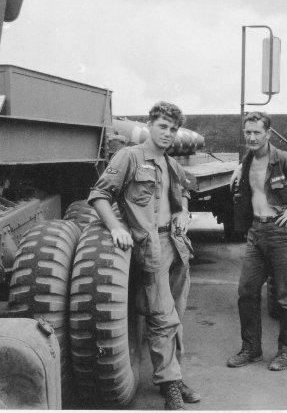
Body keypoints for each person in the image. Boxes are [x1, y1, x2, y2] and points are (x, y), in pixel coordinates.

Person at [88, 102, 201, 410]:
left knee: (175, 317)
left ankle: (175, 376)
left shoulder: (169, 163)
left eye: (173, 129)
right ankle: (169, 385)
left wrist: (184, 213)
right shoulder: (129, 157)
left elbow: (185, 191)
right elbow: (99, 195)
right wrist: (114, 227)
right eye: (163, 126)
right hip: (150, 247)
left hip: (177, 245)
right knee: (163, 316)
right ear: (150, 125)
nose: (168, 133)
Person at [227, 112, 287, 371]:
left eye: (257, 132)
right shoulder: (248, 159)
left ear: (268, 133)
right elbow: (248, 173)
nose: (252, 137)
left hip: (281, 234)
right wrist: (239, 166)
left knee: (284, 297)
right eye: (248, 132)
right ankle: (251, 349)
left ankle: (286, 352)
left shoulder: (284, 160)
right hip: (256, 232)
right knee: (246, 292)